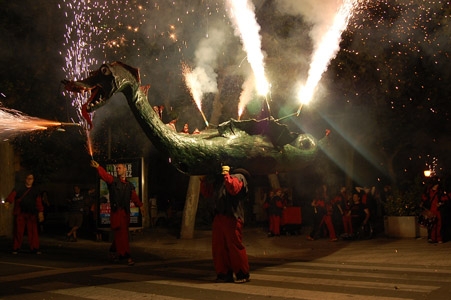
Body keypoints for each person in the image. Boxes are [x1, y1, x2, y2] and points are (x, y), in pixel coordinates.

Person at [201, 165, 251, 283]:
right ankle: (223, 274)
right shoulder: (219, 180)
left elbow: (233, 188)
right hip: (219, 216)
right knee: (219, 247)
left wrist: (226, 175)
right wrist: (203, 180)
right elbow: (207, 193)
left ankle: (242, 273)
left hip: (232, 216)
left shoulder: (240, 176)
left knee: (234, 246)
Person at [90, 160, 145, 265]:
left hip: (125, 214)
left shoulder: (129, 185)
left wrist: (141, 206)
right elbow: (105, 175)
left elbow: (134, 197)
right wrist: (98, 167)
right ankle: (126, 256)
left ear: (125, 169)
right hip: (117, 213)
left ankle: (112, 252)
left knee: (121, 235)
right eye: (117, 168)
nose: (117, 169)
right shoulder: (113, 180)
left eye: (120, 168)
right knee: (122, 235)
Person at [5, 172, 44, 254]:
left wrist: (40, 212)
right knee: (18, 231)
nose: (30, 180)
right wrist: (8, 202)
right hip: (21, 213)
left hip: (31, 214)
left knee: (33, 232)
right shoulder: (19, 188)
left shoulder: (35, 190)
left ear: (33, 180)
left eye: (31, 179)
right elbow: (12, 195)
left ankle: (34, 248)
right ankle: (16, 247)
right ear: (25, 179)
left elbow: (38, 202)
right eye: (28, 178)